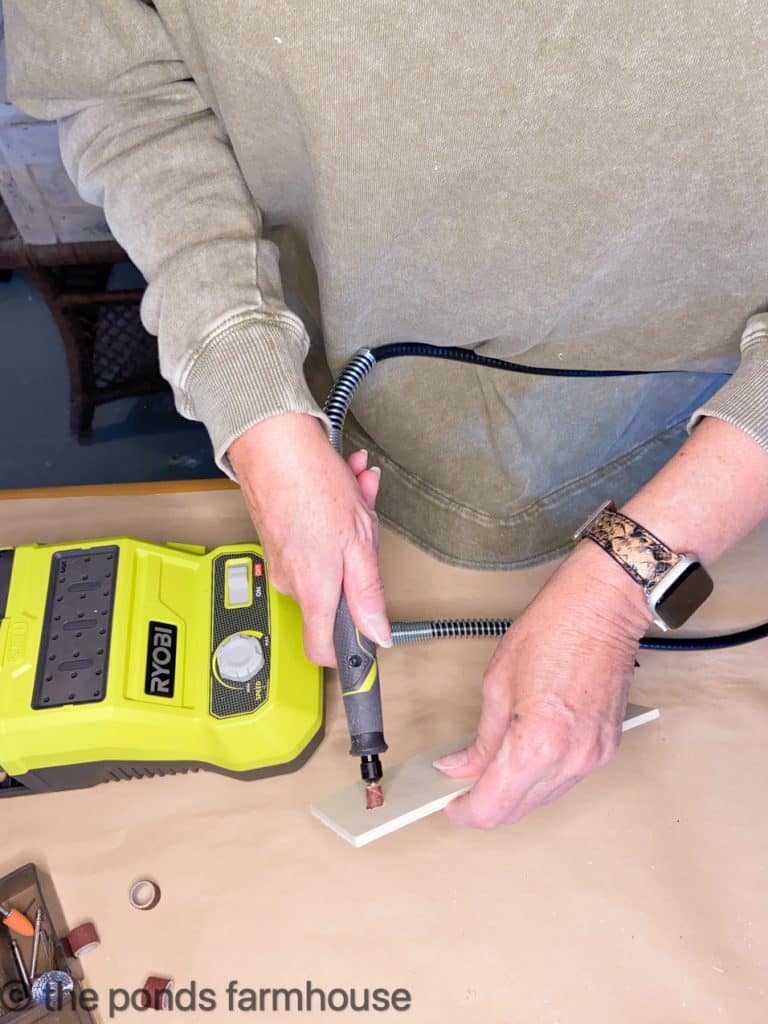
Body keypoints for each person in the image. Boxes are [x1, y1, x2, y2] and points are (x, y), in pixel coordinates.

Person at [6, 1, 768, 829]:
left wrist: (623, 591)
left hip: (703, 453)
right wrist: (256, 405)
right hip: (339, 413)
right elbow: (116, 86)